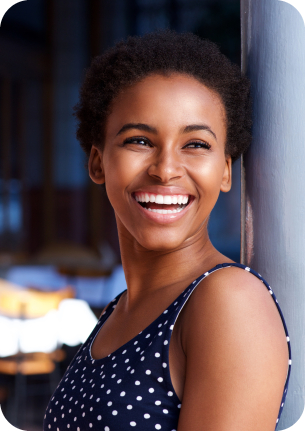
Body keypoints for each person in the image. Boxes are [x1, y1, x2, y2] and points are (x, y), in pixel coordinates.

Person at [43, 30, 291, 431]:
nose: (166, 169)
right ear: (97, 163)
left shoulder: (228, 300)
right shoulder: (117, 311)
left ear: (226, 170)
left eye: (195, 144)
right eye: (139, 140)